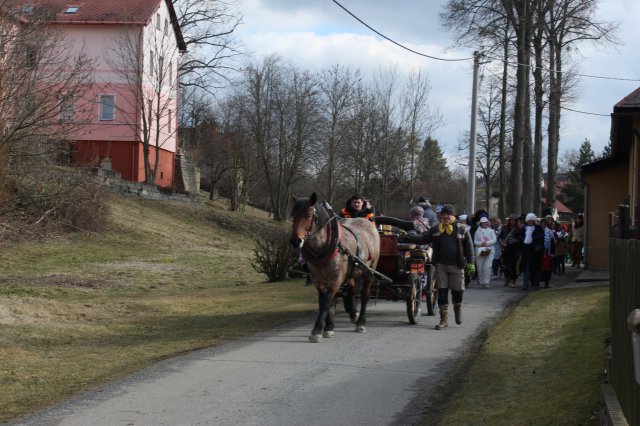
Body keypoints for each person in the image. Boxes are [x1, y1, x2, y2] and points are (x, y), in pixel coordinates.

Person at [400, 204, 475, 330]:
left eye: (448, 214)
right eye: (444, 214)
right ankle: (443, 320)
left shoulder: (462, 228)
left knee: (458, 291)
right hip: (440, 265)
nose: (445, 216)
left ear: (453, 216)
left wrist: (471, 262)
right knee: (442, 292)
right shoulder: (435, 229)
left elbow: (469, 247)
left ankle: (457, 309)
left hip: (457, 265)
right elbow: (423, 239)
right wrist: (409, 237)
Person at [519, 213, 545, 290]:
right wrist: (520, 249)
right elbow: (521, 239)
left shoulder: (538, 228)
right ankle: (525, 284)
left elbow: (541, 239)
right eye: (529, 220)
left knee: (536, 269)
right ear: (527, 221)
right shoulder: (524, 229)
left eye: (532, 220)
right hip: (526, 251)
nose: (530, 222)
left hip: (535, 252)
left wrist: (539, 247)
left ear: (534, 220)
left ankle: (536, 284)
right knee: (526, 268)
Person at [474, 216, 497, 288]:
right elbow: (475, 242)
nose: (485, 224)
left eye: (486, 222)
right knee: (480, 267)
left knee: (487, 266)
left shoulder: (491, 231)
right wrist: (481, 244)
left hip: (489, 251)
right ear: (481, 224)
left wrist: (487, 243)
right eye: (483, 223)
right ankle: (481, 282)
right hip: (479, 251)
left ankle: (486, 282)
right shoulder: (477, 231)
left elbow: (494, 240)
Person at [501, 214, 522, 288]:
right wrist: (502, 242)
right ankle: (507, 278)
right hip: (505, 249)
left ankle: (513, 280)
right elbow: (500, 237)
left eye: (514, 220)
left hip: (514, 250)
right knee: (505, 265)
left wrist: (515, 240)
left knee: (512, 266)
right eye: (511, 220)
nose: (512, 221)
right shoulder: (504, 228)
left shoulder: (518, 229)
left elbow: (521, 239)